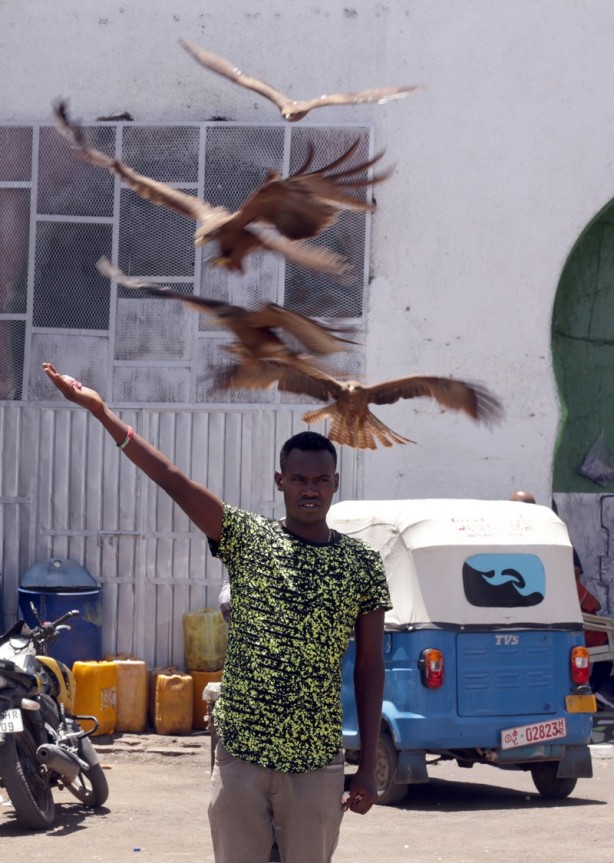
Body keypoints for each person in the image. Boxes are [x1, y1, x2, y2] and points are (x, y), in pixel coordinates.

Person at [42, 362, 392, 863]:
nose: (309, 489)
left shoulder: (361, 564)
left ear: (336, 483)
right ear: (281, 481)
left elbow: (369, 666)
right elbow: (173, 480)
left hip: (316, 761)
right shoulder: (248, 539)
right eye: (299, 479)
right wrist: (101, 412)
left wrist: (364, 768)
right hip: (241, 755)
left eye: (320, 480)